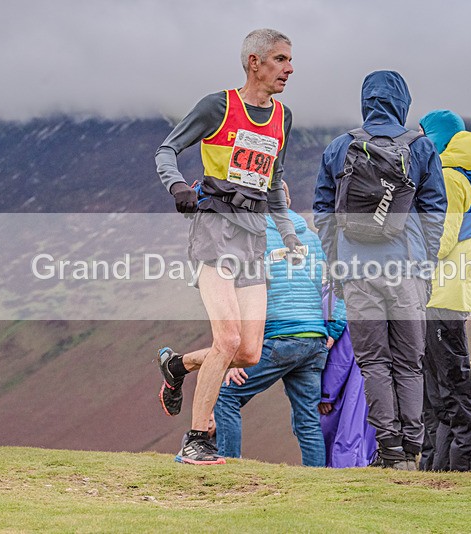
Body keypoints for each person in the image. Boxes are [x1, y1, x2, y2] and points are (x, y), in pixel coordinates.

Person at [154, 29, 302, 465]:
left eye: (291, 60)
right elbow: (166, 150)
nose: (289, 69)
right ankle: (197, 439)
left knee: (250, 351)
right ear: (254, 62)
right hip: (215, 227)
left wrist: (289, 234)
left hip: (254, 235)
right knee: (228, 337)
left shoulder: (282, 117)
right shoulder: (217, 106)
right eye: (280, 59)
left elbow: (273, 183)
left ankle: (177, 366)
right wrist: (178, 185)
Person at [313, 70, 446, 470]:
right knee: (409, 362)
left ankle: (387, 449)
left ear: (365, 100)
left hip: (357, 271)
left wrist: (337, 260)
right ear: (402, 101)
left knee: (373, 362)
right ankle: (411, 450)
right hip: (406, 270)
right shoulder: (420, 148)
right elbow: (434, 213)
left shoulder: (340, 147)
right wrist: (425, 266)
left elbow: (323, 212)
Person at [213, 184, 345, 467]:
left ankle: (228, 468)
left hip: (280, 337)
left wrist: (238, 353)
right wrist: (331, 332)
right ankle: (316, 485)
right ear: (289, 199)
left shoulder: (252, 238)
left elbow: (241, 296)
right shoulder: (312, 238)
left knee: (226, 396)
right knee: (308, 420)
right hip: (314, 340)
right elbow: (337, 289)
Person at [417, 110, 471, 472]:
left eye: (424, 133)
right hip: (452, 296)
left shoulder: (447, 177)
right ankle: (437, 472)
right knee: (442, 393)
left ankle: (460, 474)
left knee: (452, 391)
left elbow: (440, 241)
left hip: (440, 296)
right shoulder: (469, 176)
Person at [318, 306, 378, 468]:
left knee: (344, 444)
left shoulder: (336, 305)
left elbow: (339, 360)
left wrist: (326, 394)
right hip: (369, 390)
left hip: (342, 394)